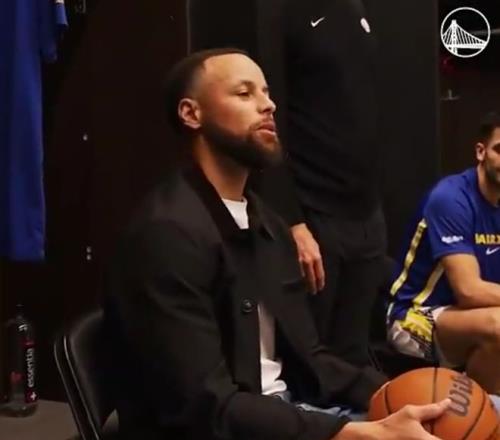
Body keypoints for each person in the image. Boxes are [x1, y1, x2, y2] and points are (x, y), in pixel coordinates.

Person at [105, 48, 450, 439]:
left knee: (480, 410)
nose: (268, 105)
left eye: (267, 92)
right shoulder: (167, 234)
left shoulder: (266, 223)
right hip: (228, 429)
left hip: (289, 411)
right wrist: (357, 434)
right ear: (191, 113)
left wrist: (398, 393)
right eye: (244, 93)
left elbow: (311, 358)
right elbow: (205, 407)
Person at [243, 0, 387, 368]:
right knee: (309, 359)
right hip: (313, 212)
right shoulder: (282, 12)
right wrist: (291, 220)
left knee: (354, 352)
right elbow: (267, 120)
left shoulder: (354, 8)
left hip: (366, 212)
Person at [387, 112, 500, 394]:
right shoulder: (450, 198)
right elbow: (469, 291)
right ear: (481, 152)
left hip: (476, 314)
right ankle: (483, 414)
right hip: (416, 318)